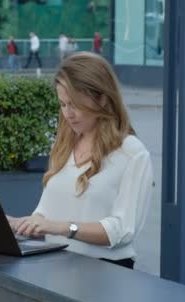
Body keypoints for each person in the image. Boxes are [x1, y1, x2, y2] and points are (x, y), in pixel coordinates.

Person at [8, 52, 154, 270]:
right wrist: (20, 224)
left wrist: (63, 228)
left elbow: (122, 230)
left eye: (75, 104)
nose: (68, 114)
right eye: (63, 104)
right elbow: (46, 214)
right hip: (56, 267)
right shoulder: (64, 145)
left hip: (106, 274)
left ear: (102, 99)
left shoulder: (132, 153)